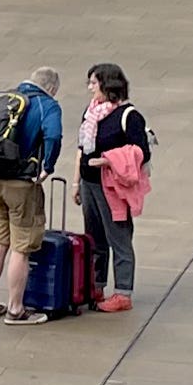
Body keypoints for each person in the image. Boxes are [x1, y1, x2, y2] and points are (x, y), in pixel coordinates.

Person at [0, 65, 66, 323]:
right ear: (52, 88)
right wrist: (48, 166)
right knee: (21, 248)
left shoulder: (6, 96)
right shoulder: (48, 105)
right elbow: (54, 135)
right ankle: (15, 309)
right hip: (23, 183)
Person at [78, 64, 150, 314]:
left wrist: (110, 160)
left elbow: (141, 152)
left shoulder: (129, 116)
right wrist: (77, 182)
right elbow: (81, 149)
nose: (90, 88)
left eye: (94, 83)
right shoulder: (91, 113)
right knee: (94, 237)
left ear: (108, 86)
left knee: (118, 237)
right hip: (90, 182)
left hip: (112, 187)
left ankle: (123, 292)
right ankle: (96, 285)